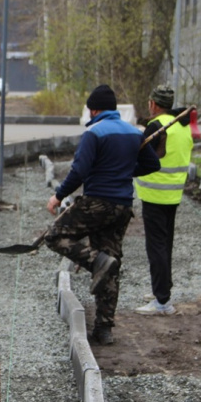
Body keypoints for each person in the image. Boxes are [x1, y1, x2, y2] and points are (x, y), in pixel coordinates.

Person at [43, 85, 160, 345]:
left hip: (97, 203)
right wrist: (123, 171)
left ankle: (96, 261)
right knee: (112, 262)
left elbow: (79, 171)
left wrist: (58, 195)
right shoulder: (133, 132)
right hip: (122, 207)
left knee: (55, 237)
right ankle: (104, 329)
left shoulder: (93, 133)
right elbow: (153, 164)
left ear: (93, 109)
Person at [134, 85, 194, 316]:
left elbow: (140, 152)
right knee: (165, 244)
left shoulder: (157, 126)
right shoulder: (181, 125)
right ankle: (161, 290)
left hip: (155, 194)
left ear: (153, 104)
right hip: (173, 194)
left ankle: (162, 301)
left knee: (156, 246)